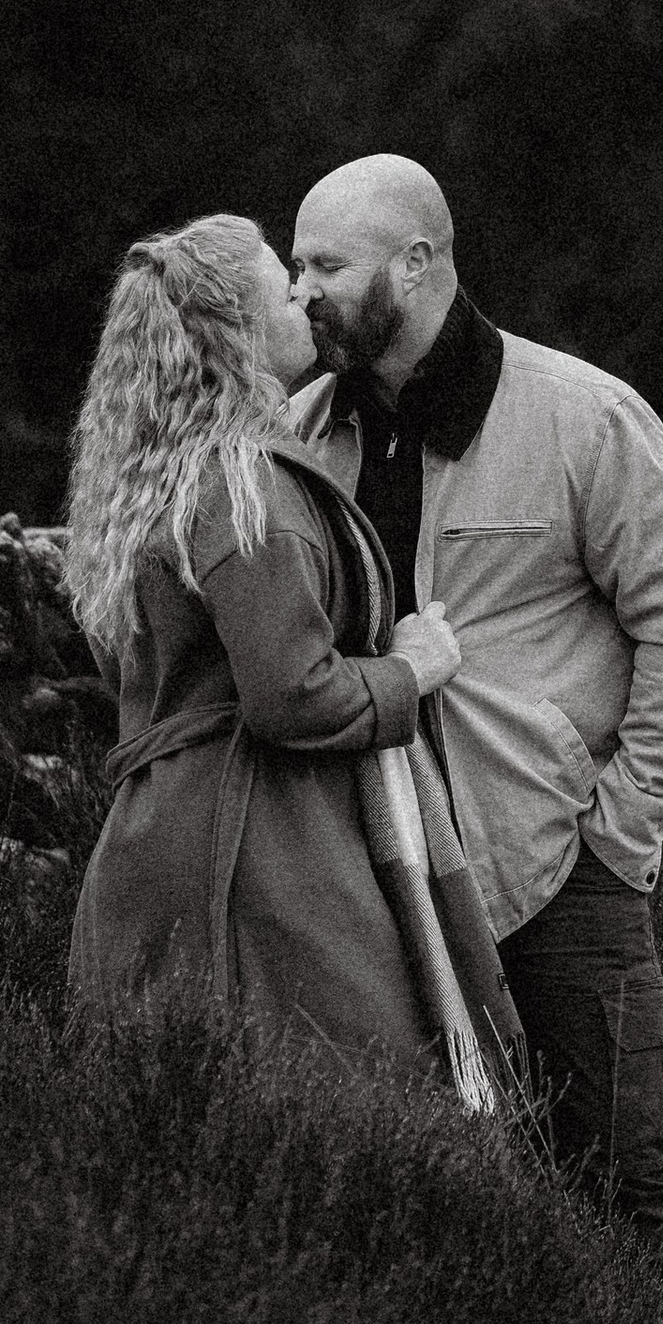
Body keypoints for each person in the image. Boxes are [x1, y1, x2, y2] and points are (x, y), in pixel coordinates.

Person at [288, 153, 663, 1272]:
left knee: (632, 1183)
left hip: (558, 873)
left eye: (326, 265)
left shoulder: (581, 416)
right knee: (424, 1206)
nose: (302, 292)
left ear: (419, 260)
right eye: (295, 266)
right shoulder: (299, 433)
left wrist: (622, 835)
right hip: (373, 883)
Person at [62, 211, 466, 1076]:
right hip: (257, 852)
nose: (307, 301)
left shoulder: (151, 484)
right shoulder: (246, 489)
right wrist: (411, 670)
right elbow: (289, 695)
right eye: (285, 293)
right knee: (351, 1095)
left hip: (151, 845)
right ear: (242, 333)